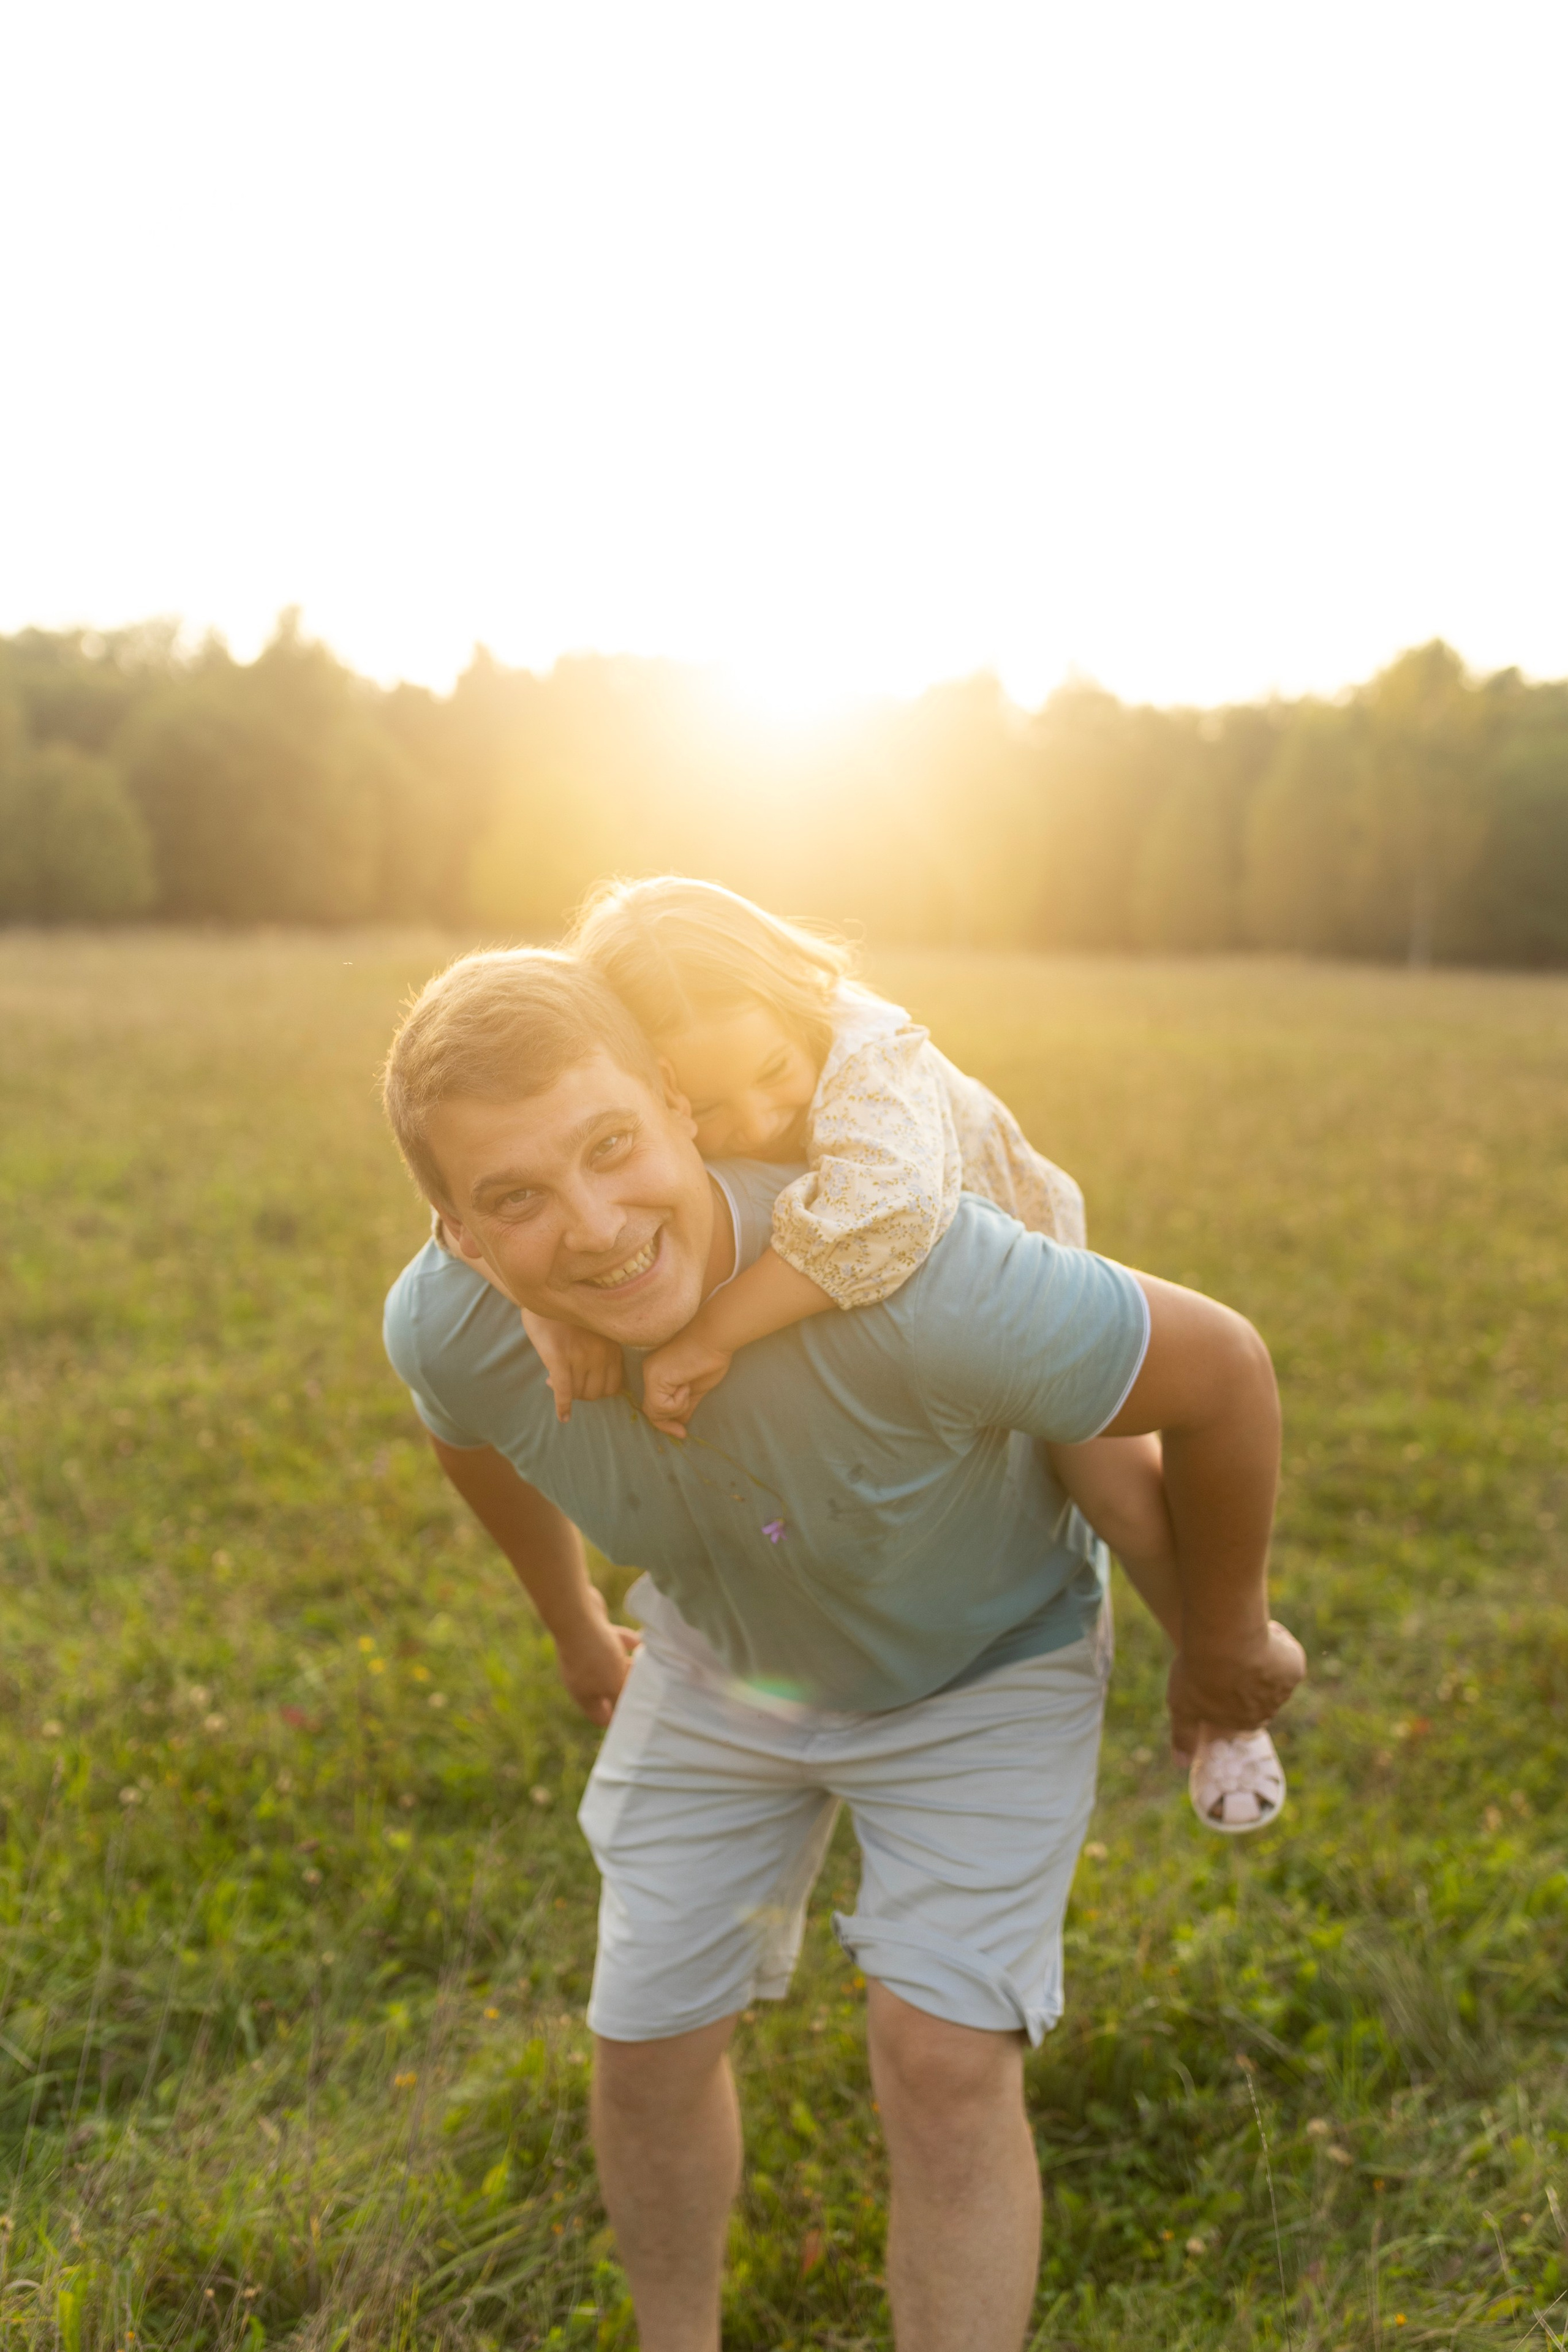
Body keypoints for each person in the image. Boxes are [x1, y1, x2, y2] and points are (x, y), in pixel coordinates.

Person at [380, 946, 1305, 2352]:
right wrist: (574, 1623)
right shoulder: (455, 1331)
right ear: (455, 1235)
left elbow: (1222, 1369)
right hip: (720, 1661)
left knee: (939, 2065)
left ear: (680, 1109)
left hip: (983, 1664)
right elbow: (469, 1437)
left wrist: (1224, 1639)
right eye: (514, 1199)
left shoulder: (907, 1271)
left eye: (612, 1146)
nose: (594, 1227)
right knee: (645, 2044)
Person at [494, 875, 1283, 1834]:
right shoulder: (601, 1089)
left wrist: (710, 1334)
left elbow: (884, 1217)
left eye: (776, 1070)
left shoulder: (871, 1054)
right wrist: (550, 1312)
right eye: (709, 1103)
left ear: (801, 997)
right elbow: (490, 1166)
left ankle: (1221, 1682)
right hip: (847, 1308)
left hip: (984, 1278)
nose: (758, 1117)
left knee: (1113, 1493)